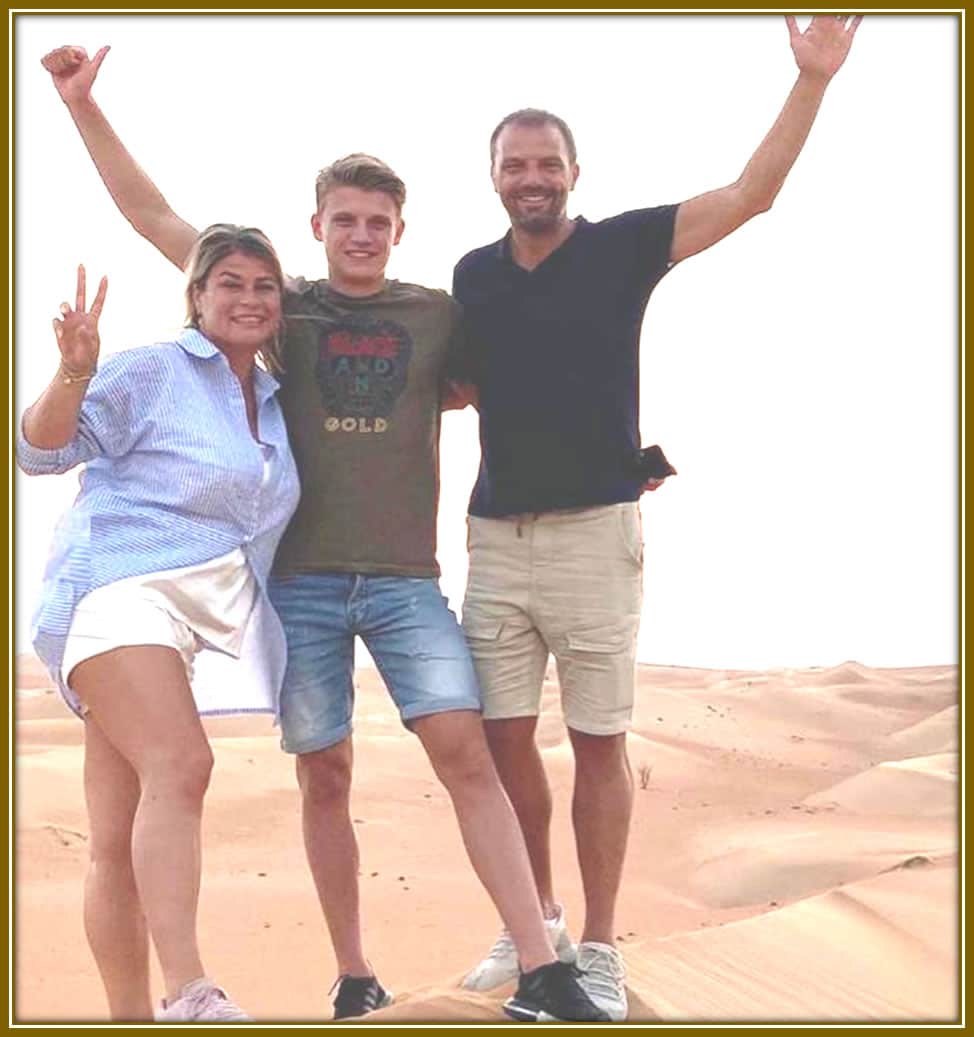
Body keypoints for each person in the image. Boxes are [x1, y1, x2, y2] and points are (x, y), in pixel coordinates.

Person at [39, 45, 609, 1024]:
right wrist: (82, 106)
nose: (358, 233)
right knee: (283, 772)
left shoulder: (419, 317)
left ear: (398, 230)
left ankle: (540, 960)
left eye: (376, 222)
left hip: (371, 581)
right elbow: (155, 218)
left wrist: (611, 450)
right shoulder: (270, 311)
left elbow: (515, 372)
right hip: (245, 586)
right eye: (342, 219)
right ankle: (295, 980)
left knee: (454, 753)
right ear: (317, 227)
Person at [452, 15, 862, 1021]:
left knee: (597, 738)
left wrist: (807, 81)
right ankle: (530, 918)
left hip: (596, 535)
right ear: (492, 175)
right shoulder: (471, 274)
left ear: (574, 172)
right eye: (515, 164)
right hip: (494, 538)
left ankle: (594, 945)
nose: (531, 176)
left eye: (546, 162)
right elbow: (456, 385)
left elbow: (748, 194)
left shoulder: (626, 243)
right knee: (500, 745)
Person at [16, 225, 301, 1022]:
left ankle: (130, 1020)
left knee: (114, 839)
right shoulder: (154, 369)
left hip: (190, 621)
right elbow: (39, 451)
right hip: (118, 588)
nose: (248, 299)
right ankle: (190, 991)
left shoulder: (276, 404)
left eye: (264, 286)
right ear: (199, 295)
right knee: (181, 762)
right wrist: (74, 370)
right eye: (230, 283)